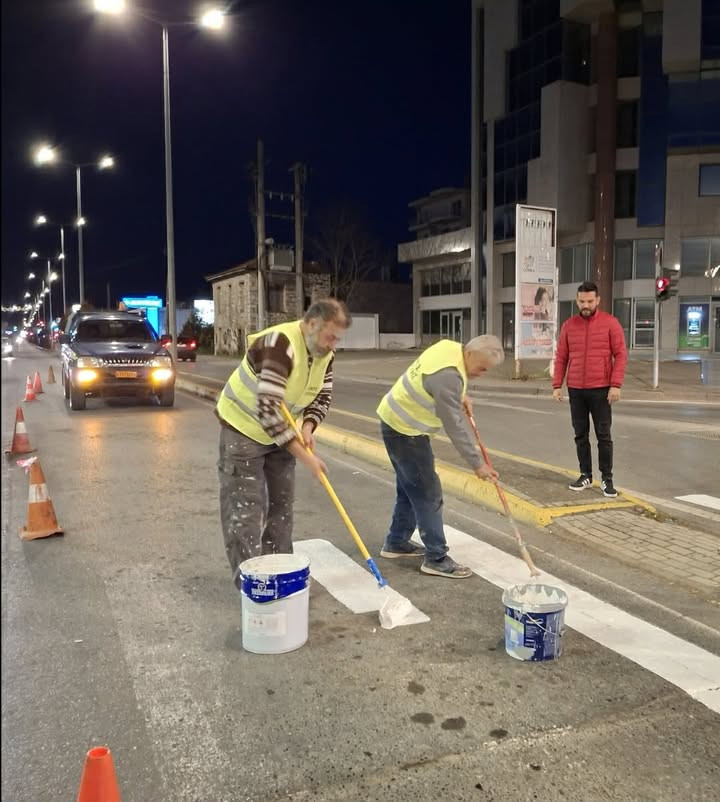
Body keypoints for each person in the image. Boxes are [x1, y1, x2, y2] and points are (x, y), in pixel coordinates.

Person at [215, 299, 351, 588]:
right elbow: (268, 411)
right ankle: (251, 585)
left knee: (282, 505)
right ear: (312, 324)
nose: (332, 345)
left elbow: (322, 394)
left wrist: (309, 425)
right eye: (330, 337)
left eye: (337, 340)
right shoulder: (280, 344)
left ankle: (277, 571)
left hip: (281, 432)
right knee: (246, 509)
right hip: (243, 428)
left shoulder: (325, 353)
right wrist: (306, 457)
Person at [376, 335, 505, 579]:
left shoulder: (451, 348)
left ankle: (396, 542)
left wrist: (460, 396)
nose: (482, 373)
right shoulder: (448, 377)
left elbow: (441, 384)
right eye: (481, 368)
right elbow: (454, 425)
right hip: (406, 430)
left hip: (395, 421)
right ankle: (436, 558)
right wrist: (477, 464)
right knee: (428, 493)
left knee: (410, 489)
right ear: (469, 354)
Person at [552, 281, 627, 498]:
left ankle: (607, 479)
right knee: (580, 435)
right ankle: (585, 474)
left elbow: (621, 354)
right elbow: (561, 357)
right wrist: (557, 385)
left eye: (590, 301)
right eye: (582, 301)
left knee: (604, 435)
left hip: (601, 389)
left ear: (598, 300)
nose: (586, 305)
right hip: (576, 389)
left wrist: (615, 384)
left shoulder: (610, 323)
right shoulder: (569, 326)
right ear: (577, 301)